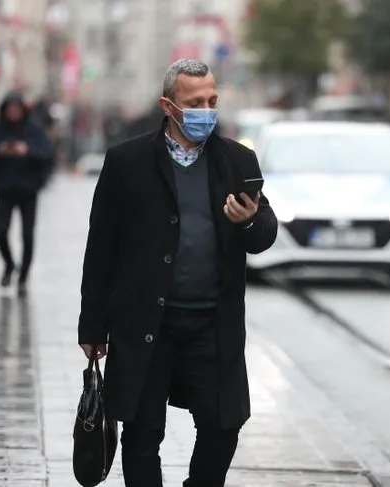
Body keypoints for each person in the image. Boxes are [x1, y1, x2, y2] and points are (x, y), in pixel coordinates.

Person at [78, 59, 277, 487]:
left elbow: (263, 234)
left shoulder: (237, 160)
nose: (206, 110)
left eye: (212, 100)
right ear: (168, 106)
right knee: (142, 434)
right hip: (146, 323)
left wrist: (247, 221)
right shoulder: (127, 161)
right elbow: (101, 250)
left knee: (224, 426)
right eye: (195, 102)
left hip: (212, 326)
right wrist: (92, 325)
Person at [0, 92, 53, 297]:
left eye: (17, 108)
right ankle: (9, 264)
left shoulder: (34, 128)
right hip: (4, 189)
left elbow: (46, 153)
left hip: (28, 190)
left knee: (27, 235)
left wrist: (27, 150)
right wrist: (1, 150)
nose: (13, 112)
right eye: (10, 108)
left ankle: (23, 276)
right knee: (0, 231)